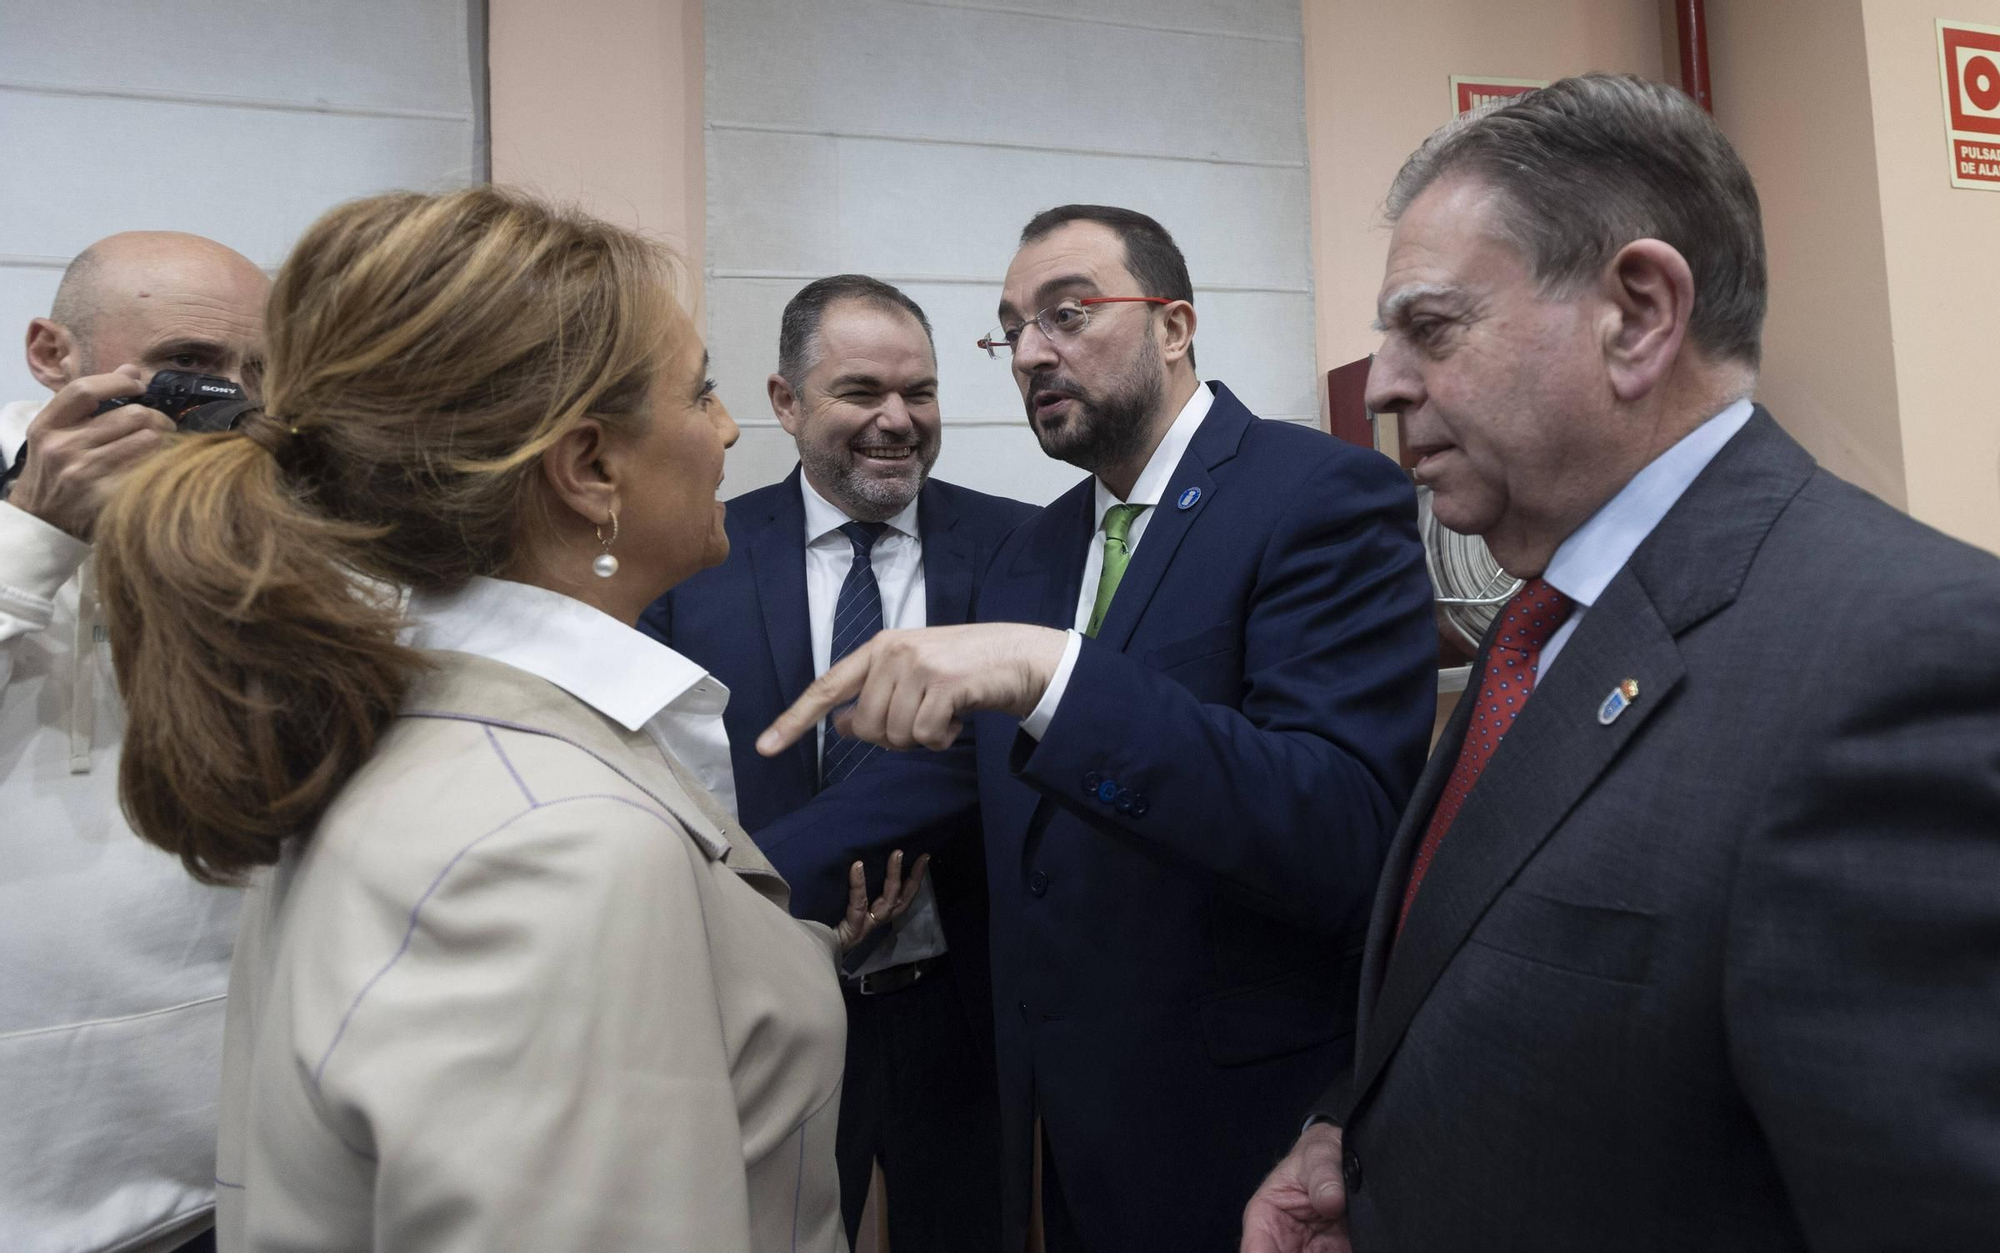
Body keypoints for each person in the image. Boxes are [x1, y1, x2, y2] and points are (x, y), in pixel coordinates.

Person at [1242, 73, 2000, 1253]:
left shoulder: (1904, 666)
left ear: (1638, 313)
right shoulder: (1537, 621)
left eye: (1428, 326)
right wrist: (1353, 1139)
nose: (1382, 382)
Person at [91, 186, 924, 1251]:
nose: (724, 430)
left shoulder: (413, 729)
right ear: (588, 468)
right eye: (699, 391)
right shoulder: (550, 846)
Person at [758, 206, 1438, 1251]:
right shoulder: (1037, 550)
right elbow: (944, 779)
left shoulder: (1319, 494)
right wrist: (720, 890)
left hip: (1245, 1132)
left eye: (1066, 314)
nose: (1030, 352)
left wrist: (1056, 674)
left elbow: (1338, 827)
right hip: (1058, 1131)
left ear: (1173, 326)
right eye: (1011, 329)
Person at [641, 274, 1030, 1249]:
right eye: (861, 392)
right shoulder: (695, 554)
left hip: (963, 998)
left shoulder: (1022, 546)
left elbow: (1016, 753)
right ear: (784, 402)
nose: (896, 421)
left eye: (921, 392)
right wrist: (755, 905)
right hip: (753, 996)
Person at [1, 231, 267, 1253]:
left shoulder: (264, 535)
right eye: (193, 365)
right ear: (51, 351)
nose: (230, 400)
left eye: (255, 373)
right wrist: (35, 529)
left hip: (232, 1177)